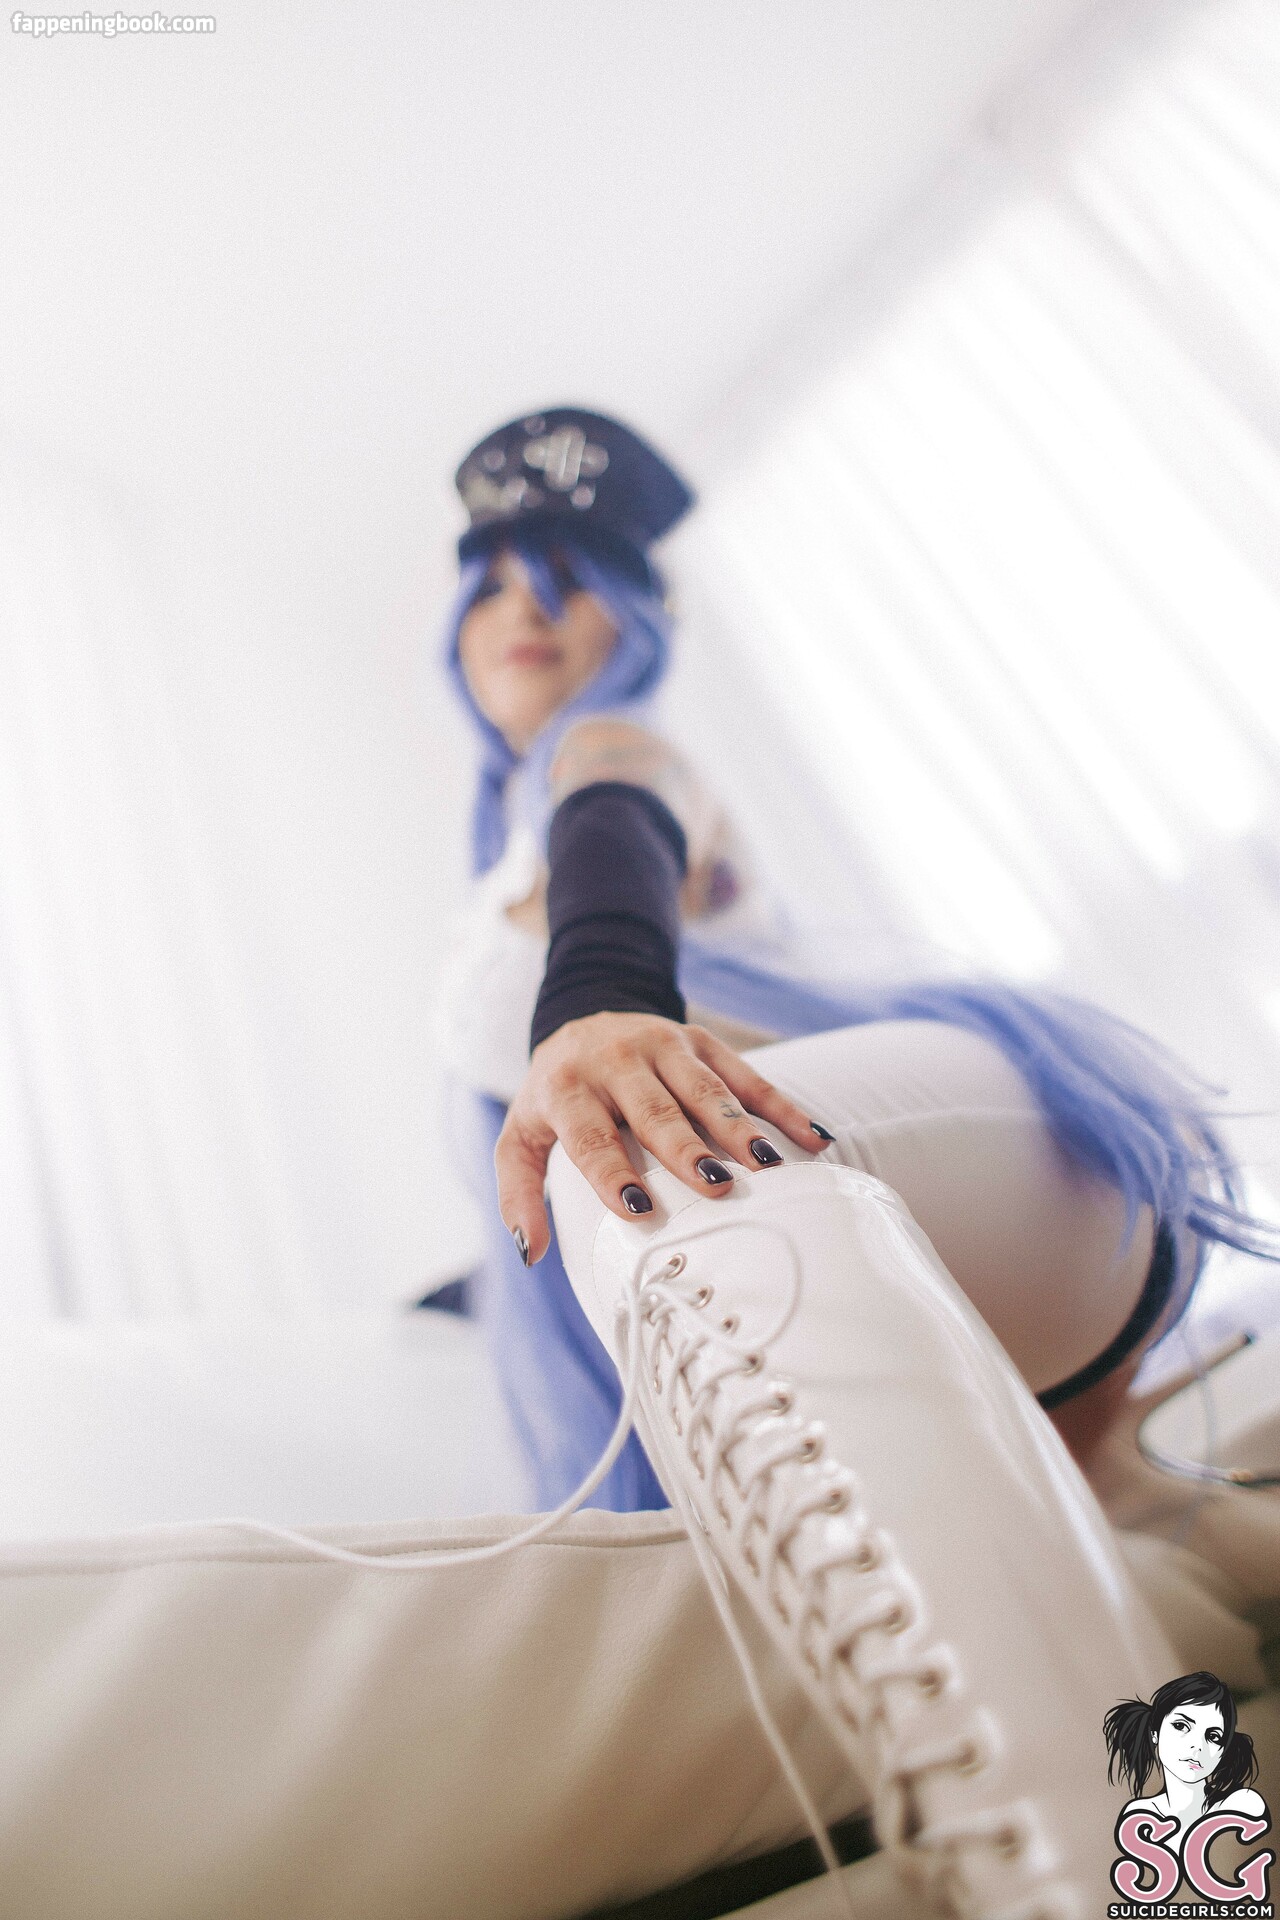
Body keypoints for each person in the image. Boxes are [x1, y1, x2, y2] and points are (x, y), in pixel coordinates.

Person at [434, 404, 1273, 1517]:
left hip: (956, 1202)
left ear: (637, 622)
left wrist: (600, 999)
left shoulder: (612, 746)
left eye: (567, 581)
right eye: (489, 587)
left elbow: (617, 817)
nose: (525, 609)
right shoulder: (501, 865)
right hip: (933, 1262)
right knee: (1103, 1539)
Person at [1105, 1672, 1265, 1843]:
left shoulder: (1243, 1804)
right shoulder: (1139, 1814)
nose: (1198, 1746)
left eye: (1213, 1736)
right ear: (1155, 1733)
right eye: (1181, 1726)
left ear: (1224, 1751)